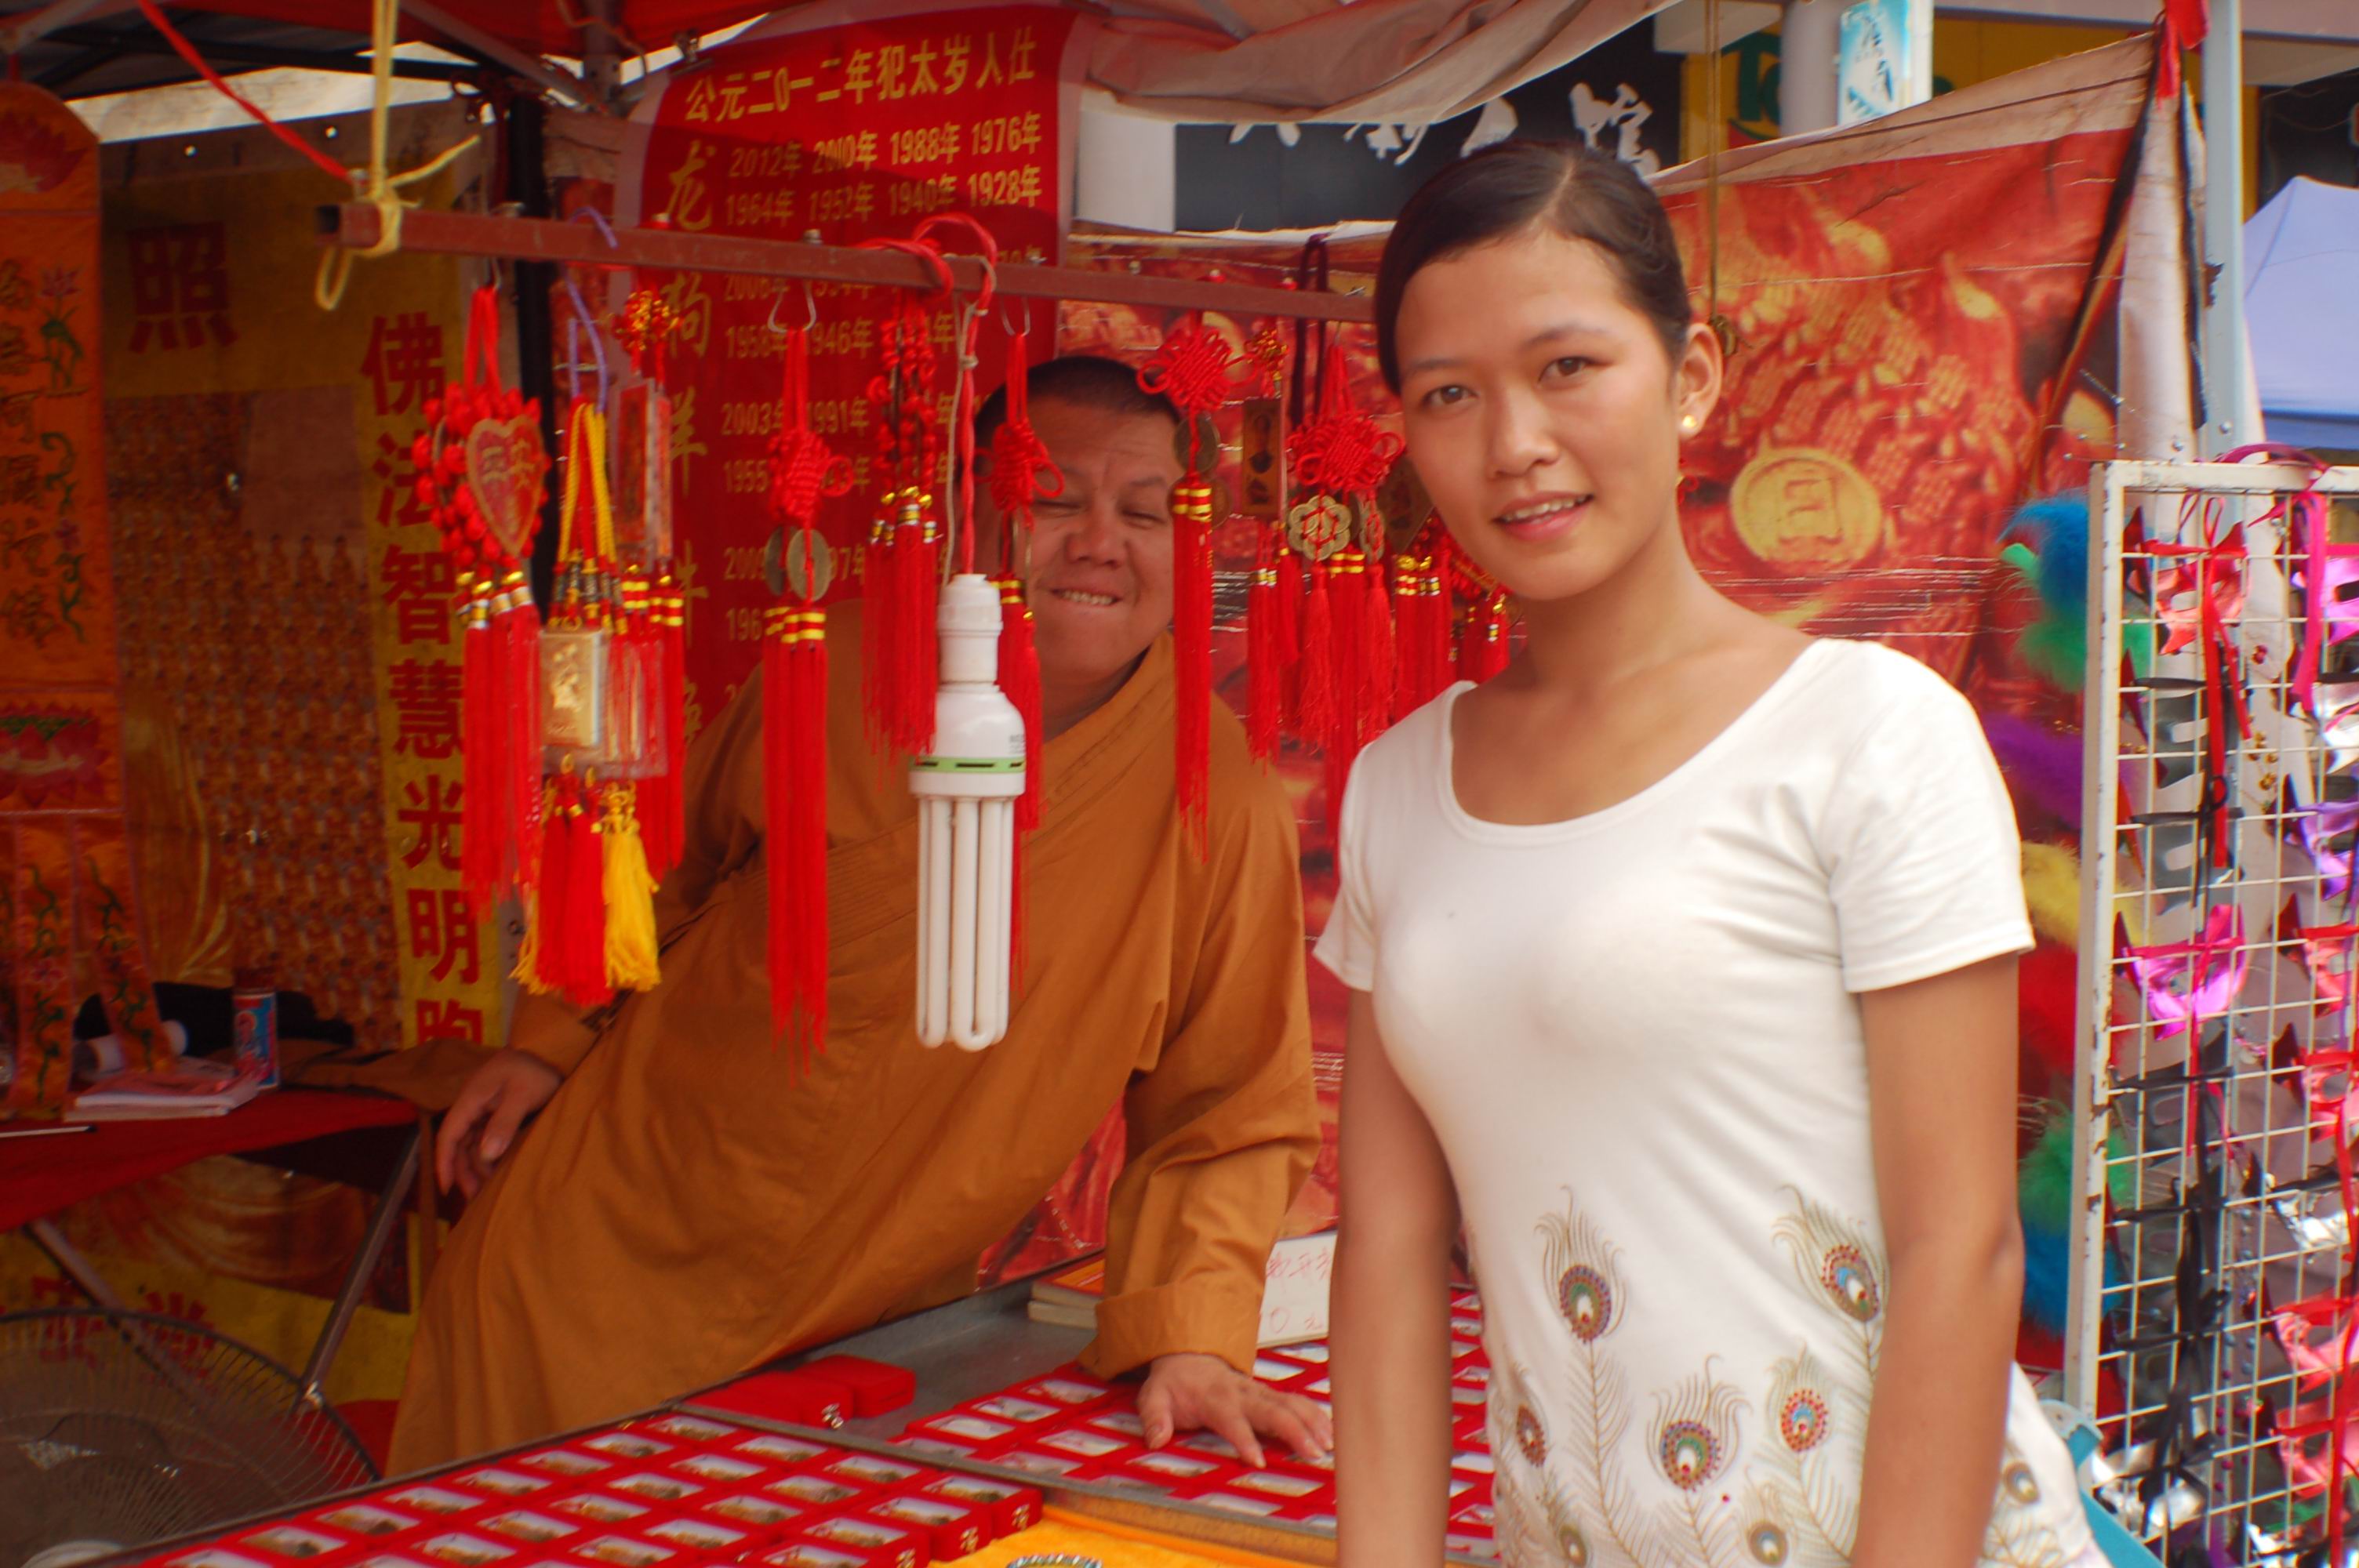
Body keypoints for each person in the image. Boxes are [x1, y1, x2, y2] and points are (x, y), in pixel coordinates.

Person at [1320, 143, 2099, 1568]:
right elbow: (1384, 1259)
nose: (1514, 444)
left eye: (1568, 367)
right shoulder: (1396, 790)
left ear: (1692, 376)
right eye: (1450, 393)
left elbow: (1962, 1250)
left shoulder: (1869, 738)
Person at [382, 356, 1325, 1475]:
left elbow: (1226, 1103)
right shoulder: (833, 667)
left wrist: (1189, 1332)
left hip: (867, 1323)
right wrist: (548, 1045)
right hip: (596, 1267)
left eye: (1146, 512)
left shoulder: (1218, 792)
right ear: (969, 513)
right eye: (1052, 498)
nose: (1098, 544)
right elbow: (660, 876)